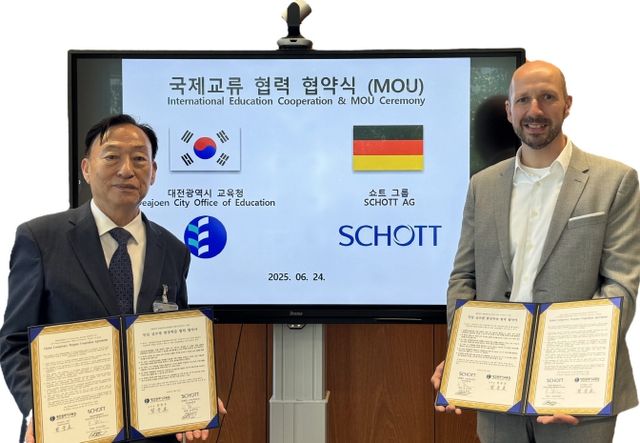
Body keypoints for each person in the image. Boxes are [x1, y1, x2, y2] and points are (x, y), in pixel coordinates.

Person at [431, 61, 639, 442]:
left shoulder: (615, 181)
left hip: (577, 399)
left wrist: (577, 375)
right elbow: (464, 277)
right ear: (509, 110)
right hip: (497, 394)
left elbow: (620, 285)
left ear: (567, 104)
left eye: (547, 97)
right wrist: (462, 354)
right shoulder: (482, 186)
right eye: (523, 100)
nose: (535, 110)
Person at [0, 114, 225, 443]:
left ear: (153, 172)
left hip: (153, 434)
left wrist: (194, 398)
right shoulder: (40, 239)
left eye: (139, 159)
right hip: (67, 432)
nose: (126, 170)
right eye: (112, 157)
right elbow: (15, 342)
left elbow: (174, 340)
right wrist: (39, 410)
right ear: (86, 168)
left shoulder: (174, 250)